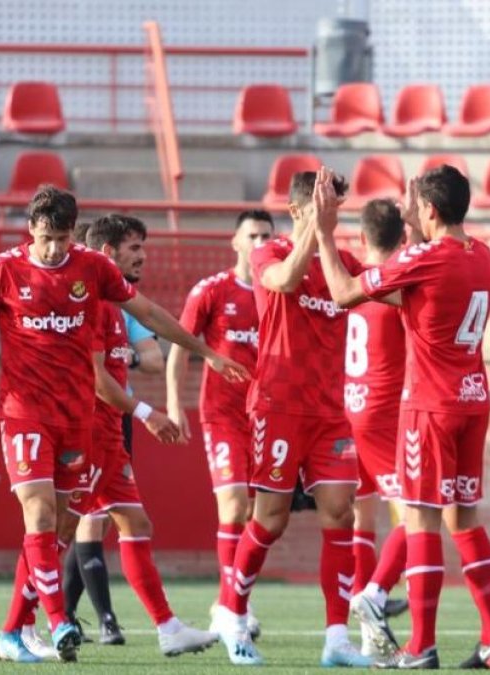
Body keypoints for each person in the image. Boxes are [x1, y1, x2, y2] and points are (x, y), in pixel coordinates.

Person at [0, 188, 248, 663]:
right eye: (46, 237)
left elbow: (149, 313)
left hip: (77, 421)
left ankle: (13, 631)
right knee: (41, 515)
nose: (54, 249)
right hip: (24, 412)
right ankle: (59, 621)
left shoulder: (91, 268)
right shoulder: (3, 269)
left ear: (74, 233)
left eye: (63, 238)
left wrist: (207, 352)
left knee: (63, 529)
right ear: (31, 229)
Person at [313, 165, 490, 669]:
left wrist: (324, 233)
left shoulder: (424, 257)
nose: (409, 210)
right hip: (471, 400)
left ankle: (420, 645)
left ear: (429, 210)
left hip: (429, 407)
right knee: (465, 518)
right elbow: (420, 294)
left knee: (421, 520)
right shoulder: (482, 255)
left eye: (415, 203)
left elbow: (343, 293)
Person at [209, 172, 371, 668]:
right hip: (278, 407)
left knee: (341, 512)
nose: (334, 217)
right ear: (299, 209)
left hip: (329, 412)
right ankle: (233, 616)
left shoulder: (341, 261)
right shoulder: (270, 251)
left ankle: (337, 638)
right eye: (326, 207)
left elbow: (376, 288)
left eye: (338, 209)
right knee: (270, 520)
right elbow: (285, 281)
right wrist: (315, 234)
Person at [166, 209, 273, 639]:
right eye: (253, 235)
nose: (260, 242)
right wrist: (175, 406)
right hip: (222, 414)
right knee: (232, 507)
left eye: (267, 235)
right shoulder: (212, 290)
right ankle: (231, 609)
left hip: (265, 417)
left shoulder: (279, 291)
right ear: (235, 242)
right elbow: (179, 348)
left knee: (257, 515)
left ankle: (229, 601)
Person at [61, 216, 166, 646]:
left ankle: (67, 615)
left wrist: (122, 358)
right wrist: (143, 407)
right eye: (134, 248)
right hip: (83, 419)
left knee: (99, 518)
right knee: (74, 521)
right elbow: (97, 375)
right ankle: (93, 619)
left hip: (117, 417)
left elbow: (155, 357)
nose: (142, 256)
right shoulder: (83, 301)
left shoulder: (126, 304)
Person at [340, 199, 410, 659]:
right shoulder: (400, 288)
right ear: (403, 241)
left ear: (363, 240)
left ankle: (369, 634)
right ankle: (376, 594)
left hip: (349, 407)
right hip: (384, 414)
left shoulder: (349, 287)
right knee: (418, 509)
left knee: (363, 517)